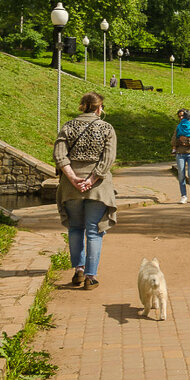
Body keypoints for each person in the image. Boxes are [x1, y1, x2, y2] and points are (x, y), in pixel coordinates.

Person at [55, 92, 117, 290]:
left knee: (75, 228)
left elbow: (59, 155)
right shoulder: (106, 128)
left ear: (82, 106)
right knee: (94, 230)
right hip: (98, 187)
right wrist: (91, 179)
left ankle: (78, 271)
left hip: (71, 187)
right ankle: (91, 276)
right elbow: (108, 159)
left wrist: (73, 178)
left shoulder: (68, 126)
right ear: (99, 108)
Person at [171, 108, 190, 203]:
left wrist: (187, 141)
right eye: (179, 116)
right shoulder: (179, 126)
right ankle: (183, 195)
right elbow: (173, 140)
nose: (181, 118)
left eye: (182, 116)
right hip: (180, 153)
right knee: (181, 175)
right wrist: (180, 141)